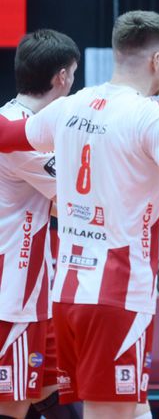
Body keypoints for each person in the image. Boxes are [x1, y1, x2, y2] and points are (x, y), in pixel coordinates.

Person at [0, 10, 159, 419]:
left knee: (125, 408)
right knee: (110, 412)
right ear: (157, 60)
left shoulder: (72, 105)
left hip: (67, 294)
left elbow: (8, 135)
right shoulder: (150, 114)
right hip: (117, 293)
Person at [0, 29, 81, 419]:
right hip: (12, 287)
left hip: (36, 290)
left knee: (54, 390)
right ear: (62, 77)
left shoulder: (24, 124)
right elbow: (76, 201)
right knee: (12, 403)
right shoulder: (20, 133)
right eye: (73, 75)